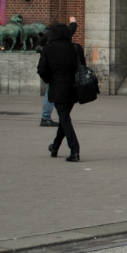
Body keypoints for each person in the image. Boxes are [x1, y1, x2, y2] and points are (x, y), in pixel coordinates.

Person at [38, 20, 86, 162]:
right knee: (64, 117)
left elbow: (42, 70)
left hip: (57, 89)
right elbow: (82, 66)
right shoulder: (76, 48)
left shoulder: (48, 49)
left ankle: (75, 150)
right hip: (73, 89)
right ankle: (55, 146)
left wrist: (49, 80)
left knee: (64, 118)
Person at [36, 17, 76, 126]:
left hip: (50, 70)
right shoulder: (54, 37)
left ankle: (47, 117)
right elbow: (69, 32)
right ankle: (46, 117)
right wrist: (73, 23)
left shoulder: (45, 36)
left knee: (51, 92)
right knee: (51, 93)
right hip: (55, 71)